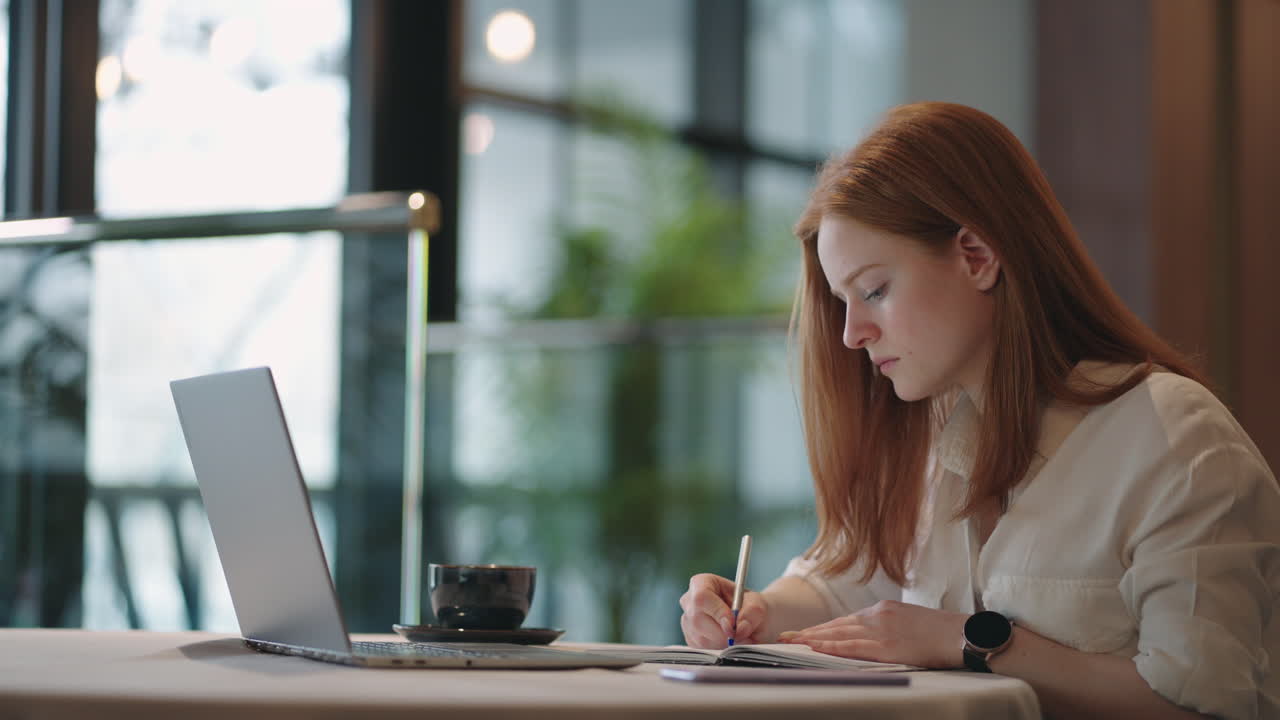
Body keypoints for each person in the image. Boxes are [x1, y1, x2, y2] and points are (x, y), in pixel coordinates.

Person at [679, 102, 1278, 720]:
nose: (851, 334)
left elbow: (1206, 706)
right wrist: (755, 612)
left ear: (977, 255)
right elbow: (847, 581)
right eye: (842, 302)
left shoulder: (1175, 440)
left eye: (875, 290)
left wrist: (968, 642)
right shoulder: (929, 436)